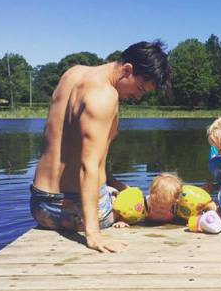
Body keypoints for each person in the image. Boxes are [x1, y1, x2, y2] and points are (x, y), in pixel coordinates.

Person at [30, 41, 171, 252]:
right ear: (127, 70)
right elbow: (88, 166)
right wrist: (94, 235)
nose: (138, 97)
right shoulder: (104, 95)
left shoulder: (73, 73)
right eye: (140, 88)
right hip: (73, 212)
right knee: (147, 204)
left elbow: (64, 143)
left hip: (40, 206)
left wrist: (115, 183)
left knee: (123, 190)